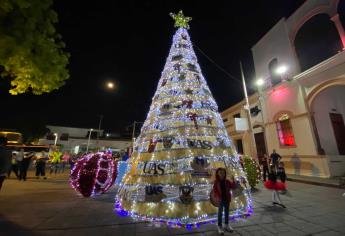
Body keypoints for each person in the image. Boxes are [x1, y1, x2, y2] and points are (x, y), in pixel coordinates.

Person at [212, 168, 236, 235]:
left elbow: (233, 186)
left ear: (225, 174)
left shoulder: (227, 181)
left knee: (227, 212)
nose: (222, 174)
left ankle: (226, 224)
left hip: (227, 199)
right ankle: (219, 226)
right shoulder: (216, 182)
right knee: (220, 213)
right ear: (218, 174)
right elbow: (215, 191)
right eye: (220, 173)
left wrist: (233, 180)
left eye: (223, 173)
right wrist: (217, 197)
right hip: (220, 200)